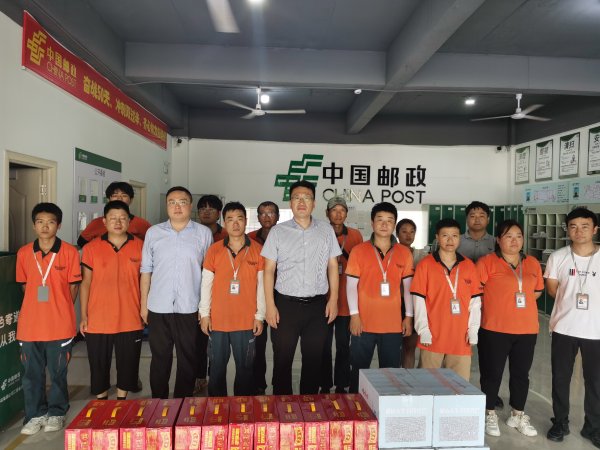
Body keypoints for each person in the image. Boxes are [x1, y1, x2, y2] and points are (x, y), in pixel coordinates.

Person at [261, 180, 341, 394]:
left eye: (307, 197)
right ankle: (281, 407)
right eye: (297, 198)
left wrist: (333, 300)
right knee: (282, 360)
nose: (302, 202)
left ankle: (308, 407)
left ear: (314, 203)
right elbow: (268, 270)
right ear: (290, 203)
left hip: (317, 307)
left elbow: (333, 265)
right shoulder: (278, 232)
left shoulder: (326, 231)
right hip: (285, 306)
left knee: (314, 361)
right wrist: (270, 305)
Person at [140, 186, 212, 399]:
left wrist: (205, 308)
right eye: (172, 202)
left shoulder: (203, 234)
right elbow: (146, 271)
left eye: (182, 202)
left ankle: (182, 403)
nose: (177, 207)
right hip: (158, 306)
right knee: (159, 358)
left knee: (188, 358)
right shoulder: (153, 233)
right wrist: (144, 305)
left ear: (191, 206)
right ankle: (158, 402)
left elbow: (209, 273)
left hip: (190, 306)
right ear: (166, 206)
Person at [16, 203, 81, 435]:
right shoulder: (24, 253)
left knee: (58, 373)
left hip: (60, 325)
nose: (45, 226)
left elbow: (73, 287)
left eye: (50, 222)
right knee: (31, 375)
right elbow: (25, 286)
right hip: (29, 326)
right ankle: (34, 415)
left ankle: (57, 412)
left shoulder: (70, 252)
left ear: (58, 225)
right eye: (40, 222)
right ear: (34, 225)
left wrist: (59, 307)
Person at [476, 220, 543, 438]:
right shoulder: (487, 262)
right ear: (498, 239)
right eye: (508, 236)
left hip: (526, 330)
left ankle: (517, 414)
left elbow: (537, 292)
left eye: (518, 236)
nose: (514, 241)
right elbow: (476, 294)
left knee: (521, 375)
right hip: (494, 329)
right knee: (492, 373)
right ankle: (489, 413)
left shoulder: (532, 263)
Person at [544, 208, 600, 447]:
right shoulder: (558, 257)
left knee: (596, 382)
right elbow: (552, 290)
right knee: (560, 378)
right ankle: (560, 422)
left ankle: (593, 427)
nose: (579, 231)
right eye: (573, 226)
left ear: (595, 229)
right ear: (567, 230)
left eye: (585, 226)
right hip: (564, 328)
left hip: (596, 331)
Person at [79, 200, 144, 401]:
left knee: (128, 363)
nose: (117, 222)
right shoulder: (91, 248)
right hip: (98, 317)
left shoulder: (141, 246)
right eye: (113, 218)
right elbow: (85, 283)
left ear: (129, 221)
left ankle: (122, 401)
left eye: (122, 218)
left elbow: (146, 281)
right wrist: (84, 315)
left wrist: (144, 310)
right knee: (98, 364)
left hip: (130, 317)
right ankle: (102, 401)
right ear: (104, 221)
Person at [346, 202, 414, 393]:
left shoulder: (404, 253)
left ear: (394, 224)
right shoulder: (359, 251)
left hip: (392, 325)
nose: (384, 224)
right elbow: (350, 286)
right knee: (358, 371)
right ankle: (356, 406)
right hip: (363, 323)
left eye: (389, 220)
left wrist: (408, 317)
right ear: (372, 222)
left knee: (391, 375)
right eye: (380, 220)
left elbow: (408, 288)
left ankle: (387, 407)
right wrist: (354, 315)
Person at [200, 202, 265, 396]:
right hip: (218, 322)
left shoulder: (259, 250)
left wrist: (260, 316)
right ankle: (217, 409)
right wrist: (204, 314)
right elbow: (206, 284)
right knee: (216, 370)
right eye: (230, 219)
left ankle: (242, 409)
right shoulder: (214, 250)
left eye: (239, 219)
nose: (235, 224)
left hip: (246, 322)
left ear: (246, 221)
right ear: (224, 222)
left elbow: (262, 287)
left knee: (245, 371)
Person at [412, 218, 482, 381]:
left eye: (454, 236)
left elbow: (475, 302)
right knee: (428, 385)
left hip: (460, 338)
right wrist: (423, 330)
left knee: (459, 386)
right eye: (445, 235)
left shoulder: (468, 265)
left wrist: (473, 329)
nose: (450, 240)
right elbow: (418, 300)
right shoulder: (426, 265)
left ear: (460, 238)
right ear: (437, 237)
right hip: (432, 337)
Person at [320, 196, 363, 394]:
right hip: (324, 299)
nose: (338, 214)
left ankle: (341, 383)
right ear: (327, 213)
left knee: (344, 346)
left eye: (342, 210)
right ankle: (324, 383)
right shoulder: (320, 232)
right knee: (323, 345)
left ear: (346, 213)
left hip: (346, 300)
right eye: (334, 210)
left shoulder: (355, 236)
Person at [195, 193, 226, 394]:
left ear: (219, 213)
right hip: (195, 294)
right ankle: (199, 377)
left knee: (216, 341)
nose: (206, 212)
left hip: (220, 295)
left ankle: (214, 377)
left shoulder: (227, 236)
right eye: (202, 208)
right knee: (198, 340)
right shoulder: (191, 233)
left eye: (211, 208)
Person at [248, 200, 280, 394]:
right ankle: (258, 384)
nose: (267, 217)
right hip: (257, 296)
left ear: (277, 216)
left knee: (280, 345)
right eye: (262, 213)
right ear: (258, 217)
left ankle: (278, 384)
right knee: (257, 344)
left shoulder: (285, 235)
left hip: (280, 296)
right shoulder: (250, 239)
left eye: (271, 213)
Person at [77, 181, 151, 247]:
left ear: (131, 200)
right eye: (115, 195)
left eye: (124, 195)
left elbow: (151, 245)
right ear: (108, 199)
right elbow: (81, 242)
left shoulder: (142, 224)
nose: (119, 198)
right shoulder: (96, 223)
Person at [396, 218, 427, 369]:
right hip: (394, 304)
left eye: (412, 232)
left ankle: (407, 378)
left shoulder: (421, 256)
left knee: (409, 347)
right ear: (397, 234)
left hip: (413, 304)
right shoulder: (391, 253)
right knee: (393, 347)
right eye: (404, 232)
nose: (408, 235)